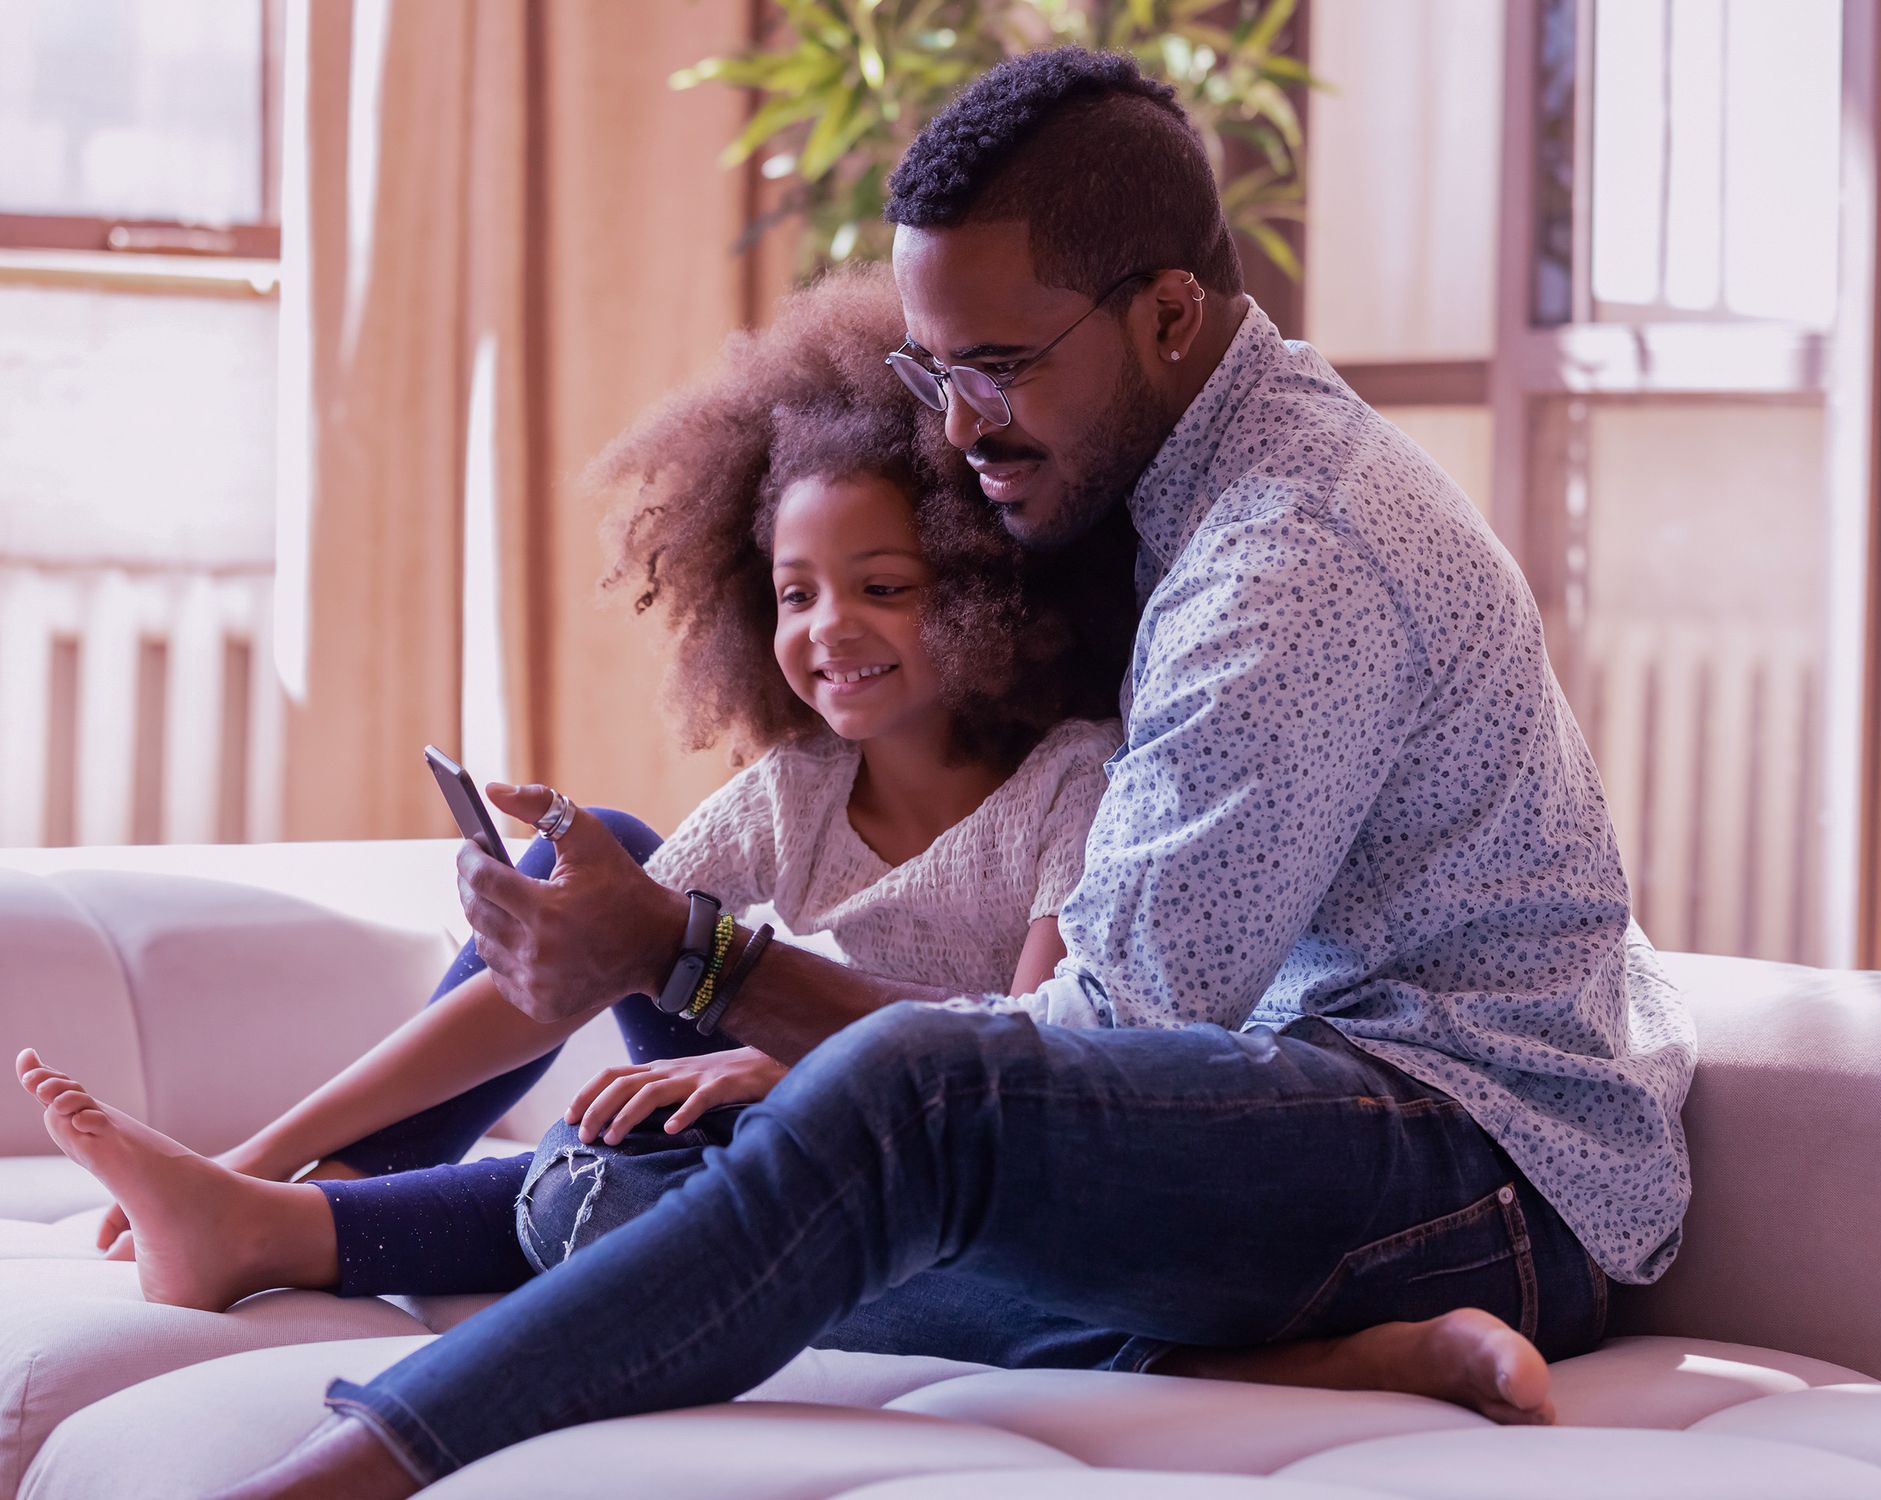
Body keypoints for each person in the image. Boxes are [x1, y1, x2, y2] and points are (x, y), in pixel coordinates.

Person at [20, 49, 1697, 1499]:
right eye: (929, 366)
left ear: (1171, 314)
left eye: (999, 365)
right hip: (1323, 1131)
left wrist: (695, 960)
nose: (958, 424)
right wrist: (745, 1032)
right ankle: (1302, 1355)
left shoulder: (1291, 566)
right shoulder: (1210, 500)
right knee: (623, 1191)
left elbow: (1106, 1045)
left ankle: (345, 1470)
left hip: (1480, 1166)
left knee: (909, 1094)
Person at [23, 260, 1136, 1299]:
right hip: (798, 1081)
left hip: (934, 1151)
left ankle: (292, 1231)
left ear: (997, 590)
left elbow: (1028, 1051)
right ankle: (298, 1194)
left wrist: (773, 1066)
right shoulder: (802, 787)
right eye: (796, 596)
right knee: (589, 858)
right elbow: (584, 956)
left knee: (669, 1167)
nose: (829, 629)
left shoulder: (1064, 785)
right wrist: (258, 1144)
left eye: (882, 586)